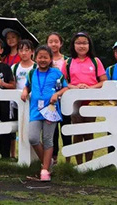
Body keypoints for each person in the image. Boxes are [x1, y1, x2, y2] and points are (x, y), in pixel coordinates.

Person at [21, 45, 68, 182]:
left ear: (50, 58)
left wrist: (57, 94)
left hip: (50, 110)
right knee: (33, 138)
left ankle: (45, 170)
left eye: (45, 57)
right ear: (35, 58)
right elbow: (28, 85)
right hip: (35, 111)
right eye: (40, 57)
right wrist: (25, 91)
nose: (42, 60)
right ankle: (48, 163)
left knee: (48, 139)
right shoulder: (32, 73)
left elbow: (65, 87)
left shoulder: (56, 73)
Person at [65, 32, 106, 165]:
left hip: (91, 102)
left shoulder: (95, 61)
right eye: (78, 43)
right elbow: (63, 82)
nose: (81, 46)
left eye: (84, 43)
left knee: (89, 132)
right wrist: (75, 87)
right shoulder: (68, 62)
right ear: (73, 45)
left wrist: (90, 88)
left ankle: (89, 164)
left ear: (89, 45)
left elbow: (103, 81)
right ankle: (78, 164)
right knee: (77, 132)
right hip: (75, 102)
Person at [46, 32, 71, 164]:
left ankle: (68, 161)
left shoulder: (67, 61)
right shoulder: (44, 60)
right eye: (51, 41)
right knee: (52, 131)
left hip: (65, 99)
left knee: (66, 128)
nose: (53, 44)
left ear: (61, 43)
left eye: (56, 41)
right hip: (50, 100)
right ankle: (53, 159)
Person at [11, 39, 36, 159]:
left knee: (32, 130)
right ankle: (14, 154)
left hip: (33, 104)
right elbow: (13, 84)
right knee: (18, 128)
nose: (24, 53)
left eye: (27, 50)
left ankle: (33, 156)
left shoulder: (36, 67)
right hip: (18, 103)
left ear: (32, 52)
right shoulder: (14, 67)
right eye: (21, 50)